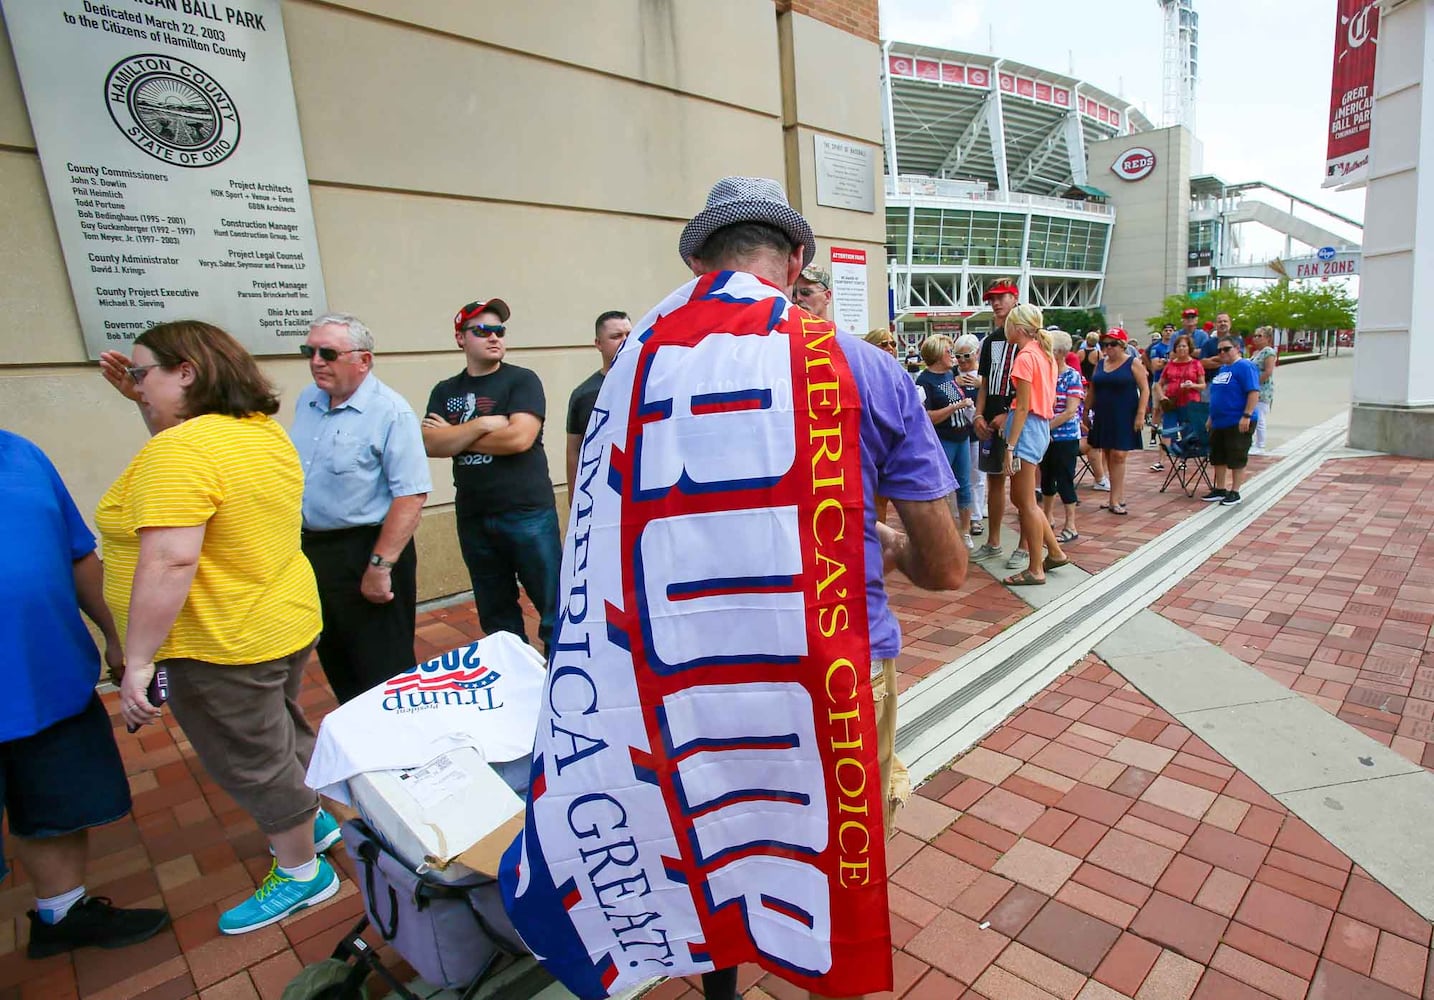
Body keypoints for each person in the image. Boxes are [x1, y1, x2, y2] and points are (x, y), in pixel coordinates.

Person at [504, 176, 965, 1000]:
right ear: (795, 261)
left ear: (694, 261)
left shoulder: (629, 371)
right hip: (829, 668)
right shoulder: (861, 366)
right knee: (825, 841)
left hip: (675, 672)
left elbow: (593, 526)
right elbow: (947, 569)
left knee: (703, 835)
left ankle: (717, 978)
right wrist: (887, 543)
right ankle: (817, 961)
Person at [96, 322, 335, 935]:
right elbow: (189, 459)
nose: (136, 385)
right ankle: (318, 821)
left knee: (249, 756)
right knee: (280, 727)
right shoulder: (259, 433)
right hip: (277, 620)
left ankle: (304, 872)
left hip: (219, 640)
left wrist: (140, 660)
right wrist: (145, 402)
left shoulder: (179, 452)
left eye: (143, 374)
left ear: (187, 373)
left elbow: (171, 558)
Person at [1, 431, 171, 958]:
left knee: (53, 805)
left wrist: (117, 634)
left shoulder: (22, 454)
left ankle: (62, 914)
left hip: (46, 678)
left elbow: (78, 555)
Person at [292, 313, 432, 704]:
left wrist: (380, 567)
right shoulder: (308, 400)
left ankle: (402, 752)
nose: (316, 360)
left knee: (383, 669)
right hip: (316, 552)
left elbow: (411, 496)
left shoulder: (391, 411)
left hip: (368, 550)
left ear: (363, 360)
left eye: (328, 352)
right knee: (337, 659)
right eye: (310, 351)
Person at [422, 299, 562, 654]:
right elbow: (430, 443)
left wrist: (457, 436)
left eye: (499, 331)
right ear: (460, 338)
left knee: (554, 608)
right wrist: (484, 424)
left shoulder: (522, 380)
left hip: (527, 512)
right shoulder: (444, 390)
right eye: (482, 330)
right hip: (474, 516)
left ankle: (564, 682)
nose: (494, 337)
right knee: (496, 615)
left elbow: (519, 438)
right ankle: (513, 679)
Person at [1000, 305, 1067, 585]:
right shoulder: (1044, 354)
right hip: (1039, 427)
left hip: (1026, 428)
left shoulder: (1025, 357)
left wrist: (1010, 445)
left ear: (1017, 328)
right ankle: (1054, 551)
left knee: (1025, 502)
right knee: (1024, 499)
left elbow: (1024, 406)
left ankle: (1035, 568)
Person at [972, 279, 1020, 561]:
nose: (996, 303)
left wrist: (1009, 411)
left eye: (1002, 297)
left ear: (1014, 299)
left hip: (1018, 418)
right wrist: (979, 413)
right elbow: (985, 382)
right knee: (994, 482)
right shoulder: (990, 341)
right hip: (992, 417)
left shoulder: (1028, 337)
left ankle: (1026, 547)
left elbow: (1030, 384)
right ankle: (993, 541)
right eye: (992, 298)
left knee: (1024, 488)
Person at [914, 334, 976, 549]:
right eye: (949, 351)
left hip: (961, 436)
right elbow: (927, 416)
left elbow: (957, 398)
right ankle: (943, 531)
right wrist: (956, 407)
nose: (954, 356)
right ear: (939, 354)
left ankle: (965, 531)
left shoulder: (950, 375)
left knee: (964, 484)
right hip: (943, 439)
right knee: (941, 487)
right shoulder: (925, 380)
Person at [565, 310, 631, 488]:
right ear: (598, 344)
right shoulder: (584, 393)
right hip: (601, 489)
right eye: (616, 336)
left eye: (629, 335)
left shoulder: (651, 383)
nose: (625, 341)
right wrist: (574, 495)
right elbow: (574, 449)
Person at [1087, 327, 1149, 516]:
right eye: (1105, 344)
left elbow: (1144, 389)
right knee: (1107, 452)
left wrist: (1140, 414)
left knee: (1119, 455)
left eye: (1113, 344)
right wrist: (1085, 412)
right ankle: (1115, 496)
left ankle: (1116, 498)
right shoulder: (1100, 363)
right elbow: (1092, 389)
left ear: (1122, 345)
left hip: (1124, 413)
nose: (1109, 348)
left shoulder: (1133, 363)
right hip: (1104, 414)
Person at [1203, 335, 1261, 506]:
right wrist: (1211, 417)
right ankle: (1220, 488)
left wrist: (1247, 415)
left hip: (1238, 420)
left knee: (1237, 455)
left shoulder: (1245, 366)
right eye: (1219, 350)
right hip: (1219, 421)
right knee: (1218, 457)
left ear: (1237, 348)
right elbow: (1217, 396)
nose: (1222, 353)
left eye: (1226, 349)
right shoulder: (1223, 369)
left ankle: (1235, 491)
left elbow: (1253, 392)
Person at [1041, 332, 1084, 545]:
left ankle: (1071, 524)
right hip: (1046, 436)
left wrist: (1046, 427)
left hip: (1065, 436)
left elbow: (1070, 411)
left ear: (1060, 353)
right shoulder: (1046, 374)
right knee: (1046, 477)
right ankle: (1047, 517)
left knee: (1064, 477)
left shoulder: (1072, 376)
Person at [1150, 333, 1205, 472]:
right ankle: (1161, 460)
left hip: (1190, 401)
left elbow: (1202, 385)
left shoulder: (1196, 364)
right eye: (1179, 346)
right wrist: (1162, 396)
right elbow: (1159, 383)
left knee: (1187, 431)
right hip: (1172, 401)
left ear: (1189, 348)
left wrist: (1192, 385)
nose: (1181, 349)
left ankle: (1183, 460)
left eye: (1184, 346)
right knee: (1167, 430)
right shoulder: (1170, 365)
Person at [953, 333, 986, 537]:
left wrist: (981, 384)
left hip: (975, 430)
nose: (963, 361)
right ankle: (962, 514)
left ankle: (976, 516)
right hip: (957, 431)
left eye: (967, 356)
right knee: (960, 477)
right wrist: (955, 381)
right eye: (959, 356)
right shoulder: (952, 374)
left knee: (977, 475)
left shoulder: (983, 374)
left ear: (976, 354)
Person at [1248, 326, 1277, 453]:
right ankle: (1253, 442)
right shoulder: (1255, 353)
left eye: (1260, 336)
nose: (1256, 338)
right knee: (1252, 415)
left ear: (1267, 338)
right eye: (1255, 336)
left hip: (1262, 389)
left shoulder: (1268, 352)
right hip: (1252, 388)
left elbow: (1268, 371)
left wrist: (1254, 383)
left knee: (1259, 417)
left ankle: (1261, 444)